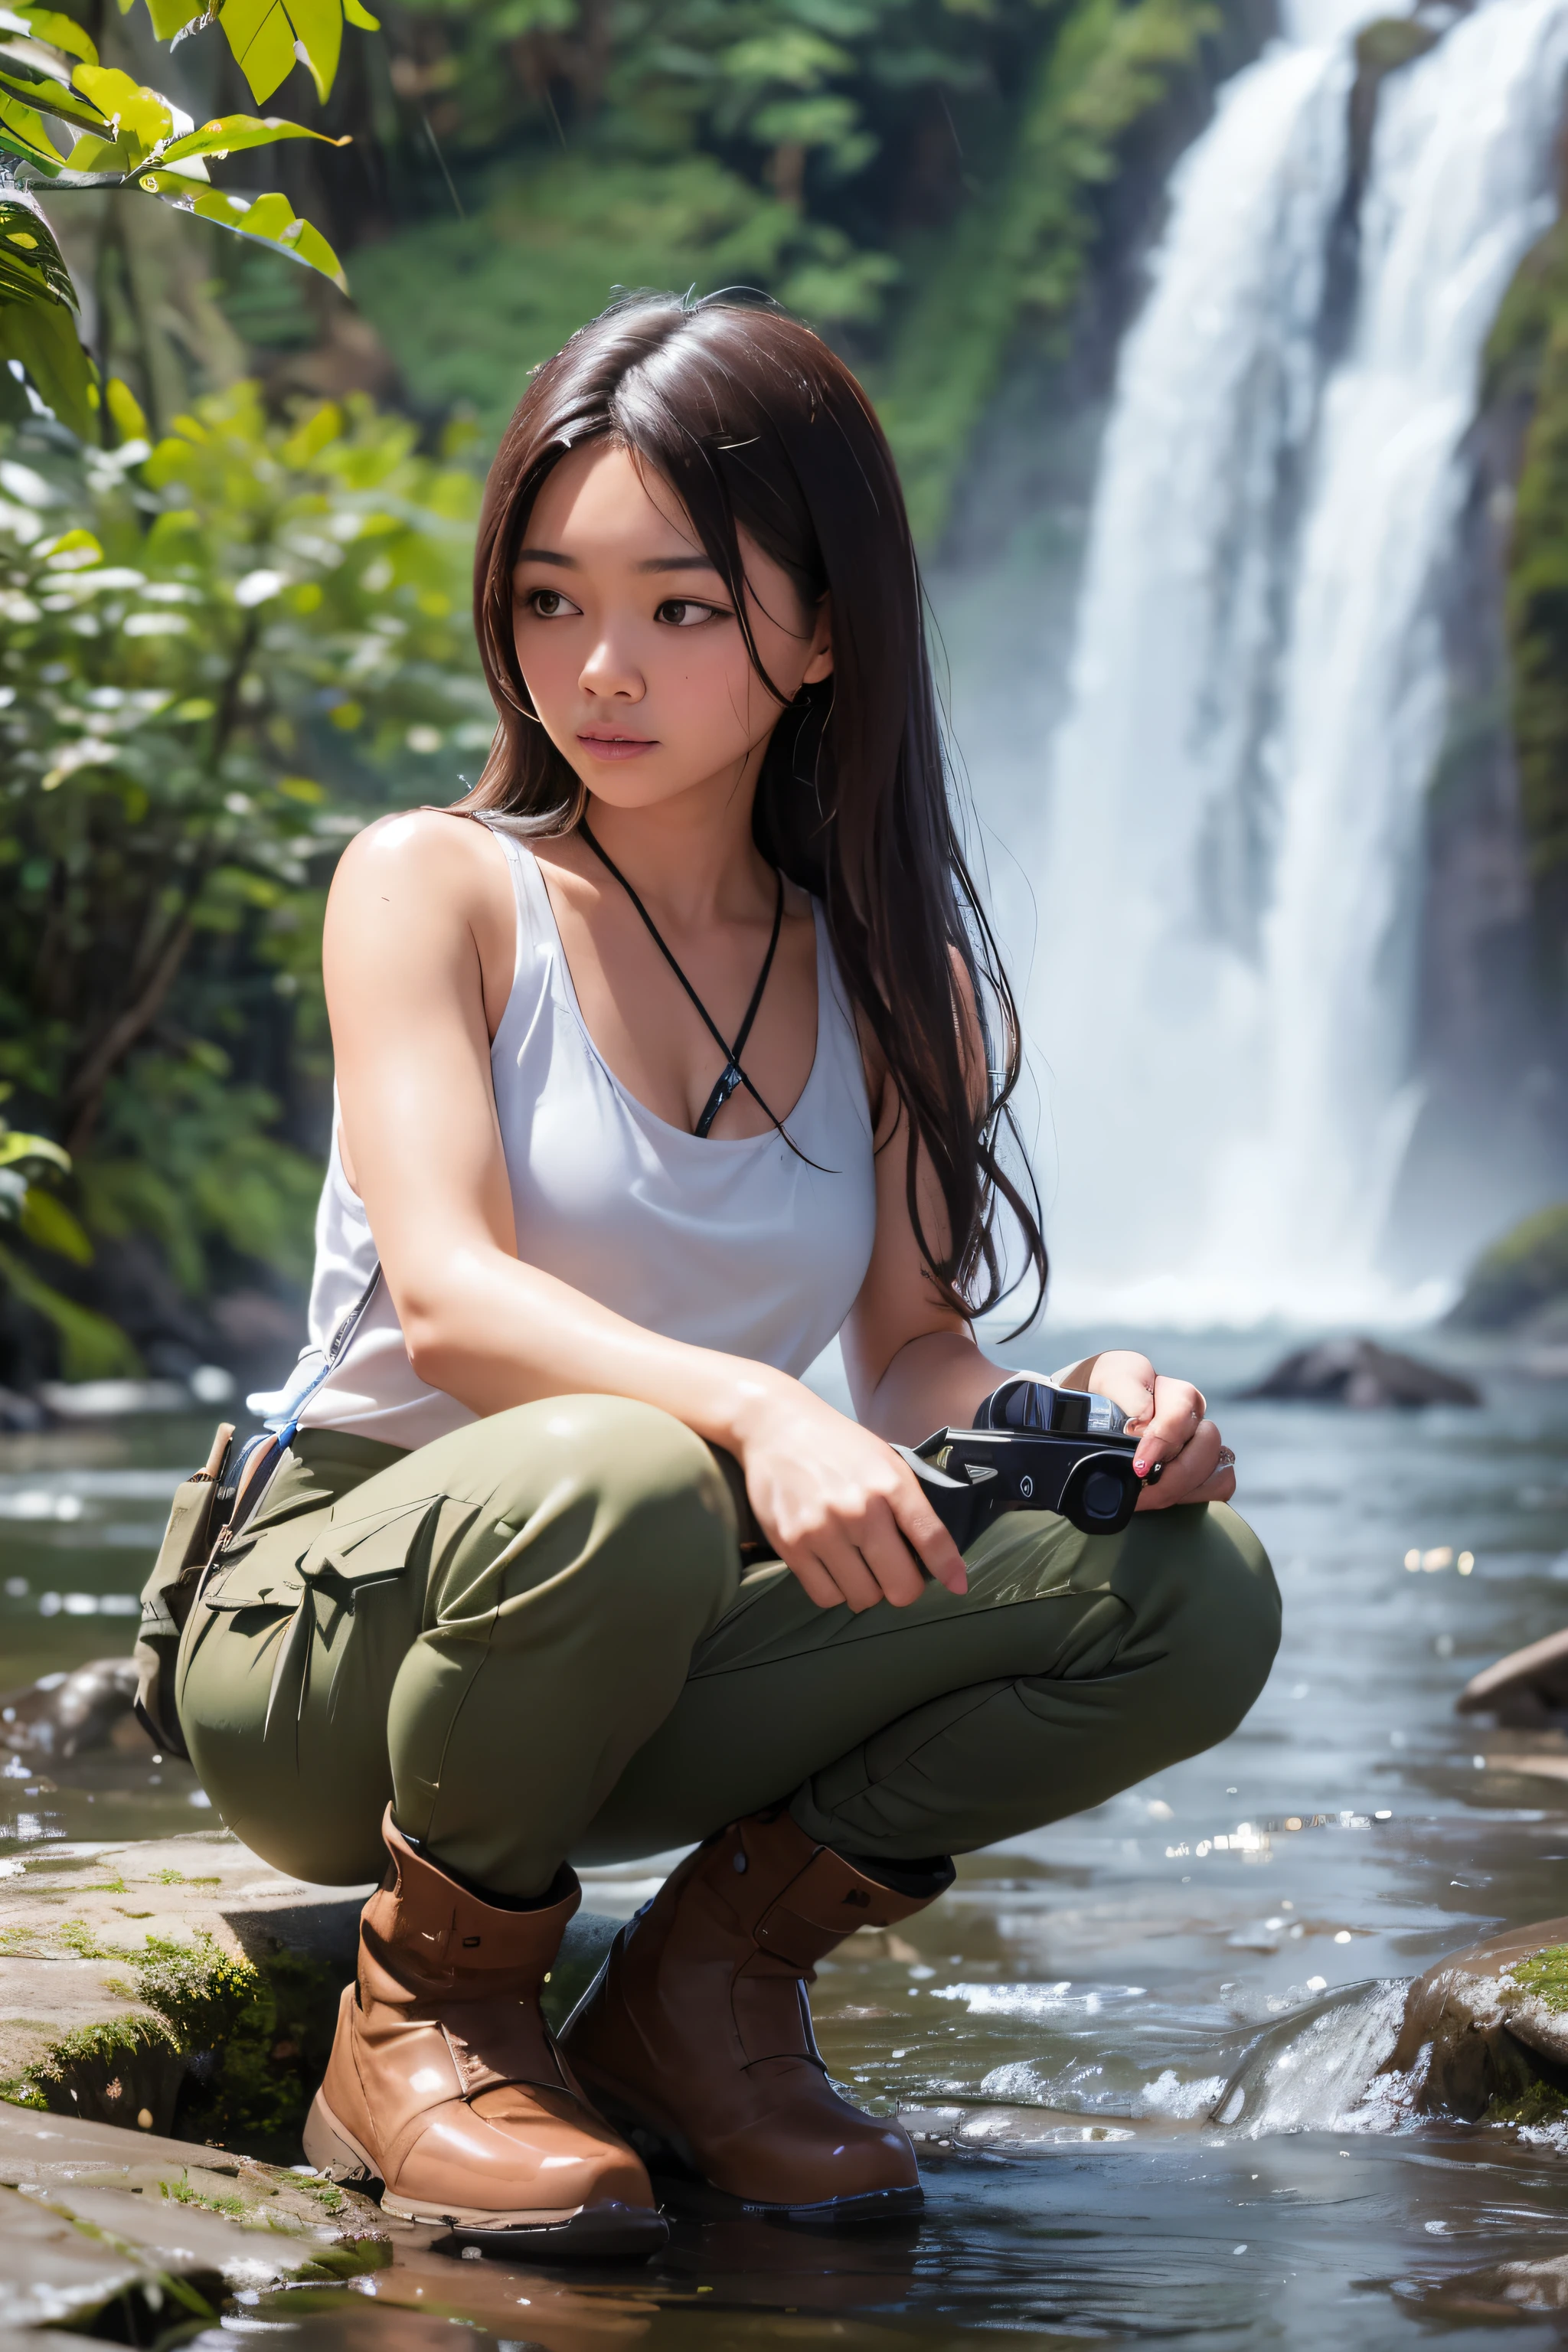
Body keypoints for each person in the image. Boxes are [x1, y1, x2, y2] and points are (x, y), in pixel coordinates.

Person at [172, 292, 1279, 2258]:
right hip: (342, 1643)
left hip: (639, 1631)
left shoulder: (900, 981)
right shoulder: (434, 885)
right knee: (625, 1466)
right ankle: (424, 2011)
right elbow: (446, 1297)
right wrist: (757, 1408)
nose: (600, 667)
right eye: (548, 600)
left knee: (1182, 1594)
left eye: (683, 608)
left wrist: (1088, 1413)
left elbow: (916, 1351)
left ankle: (704, 1999)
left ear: (823, 630)